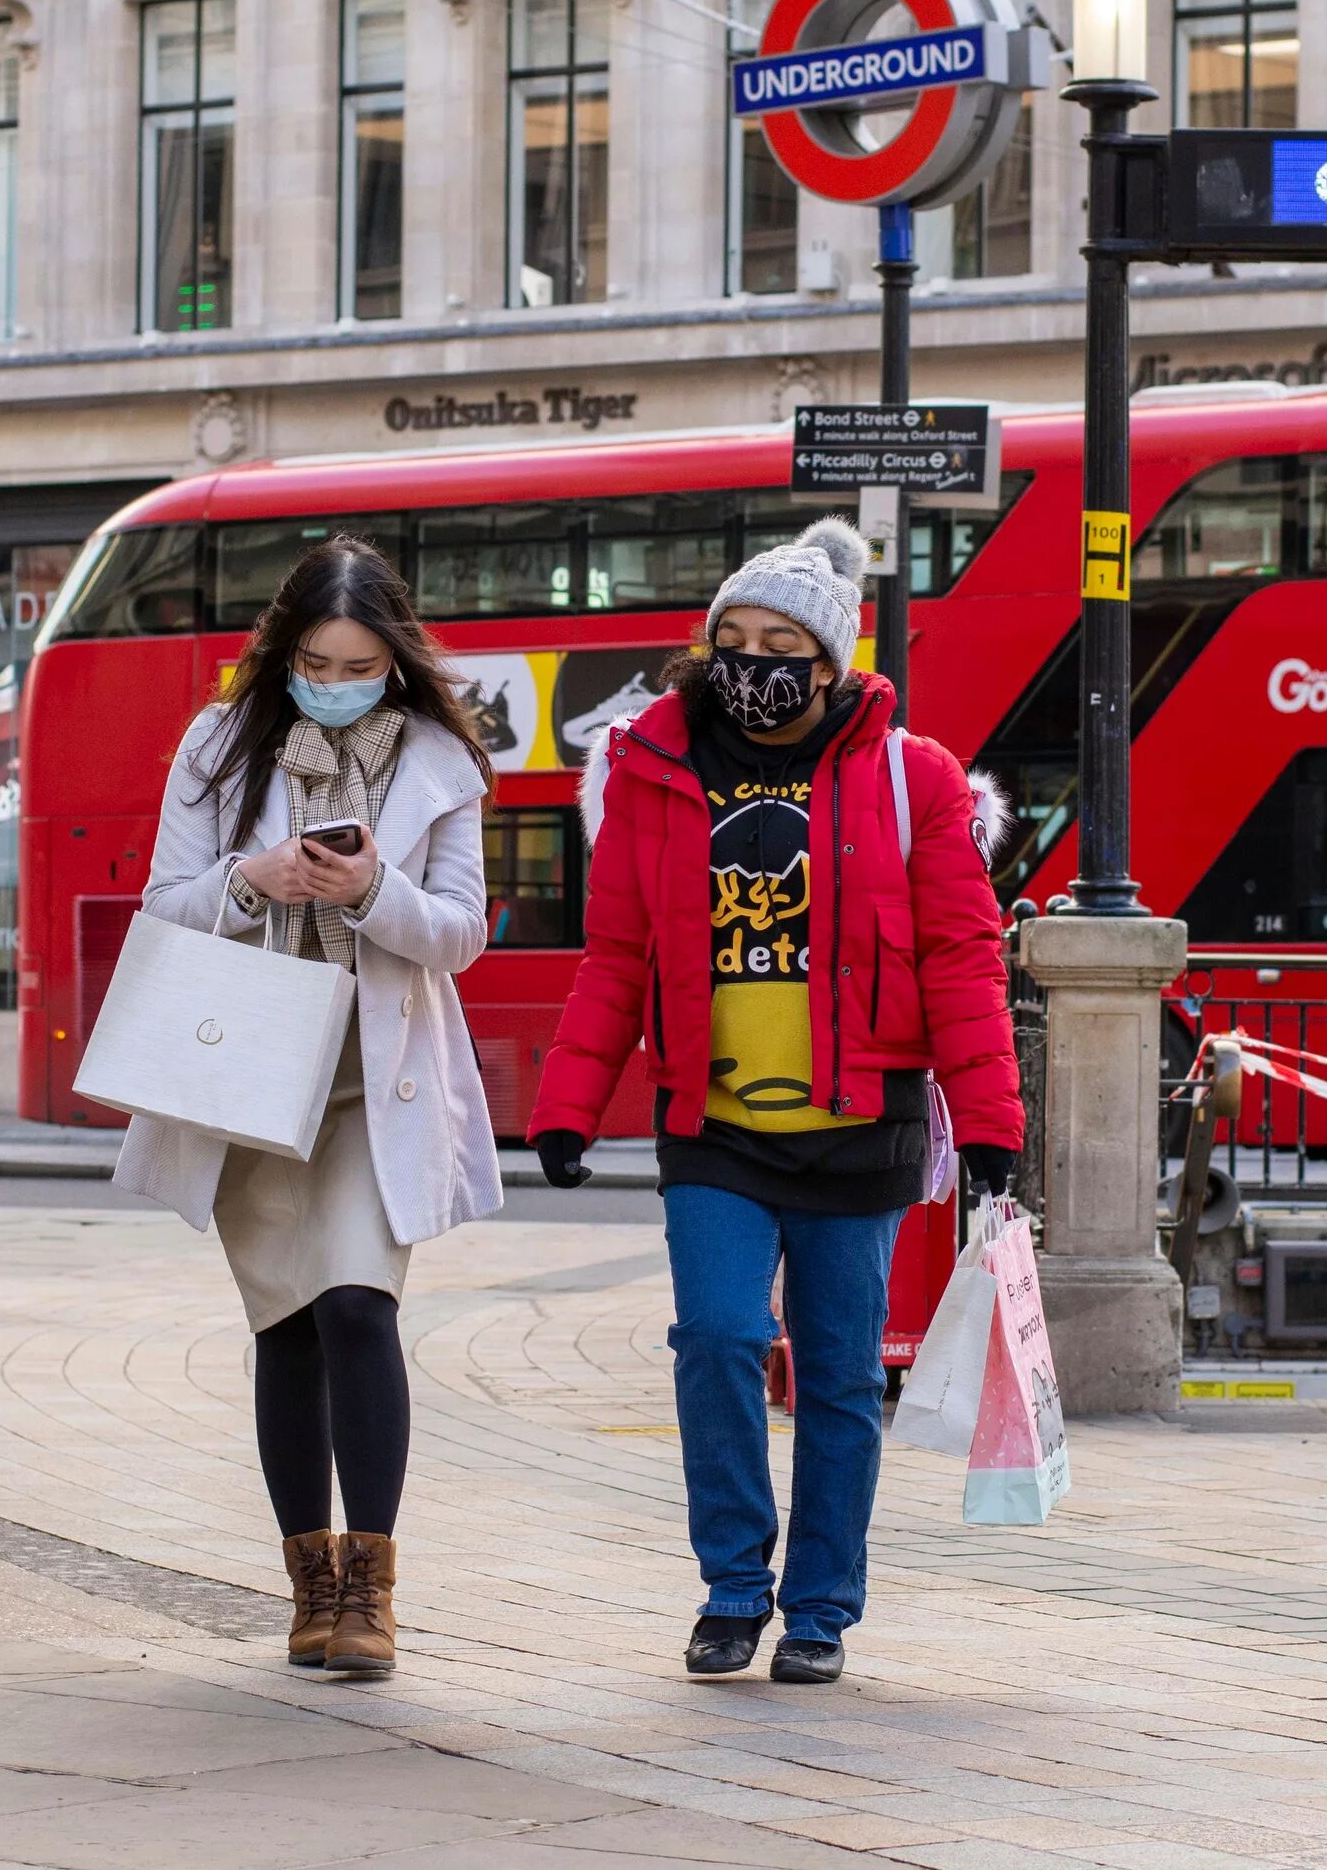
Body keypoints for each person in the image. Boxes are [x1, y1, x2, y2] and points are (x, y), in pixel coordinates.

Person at [528, 518, 1023, 1686]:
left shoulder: (915, 779)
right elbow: (613, 957)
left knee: (841, 1373)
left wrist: (992, 1123)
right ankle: (733, 1586)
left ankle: (819, 1608)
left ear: (833, 660)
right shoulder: (653, 770)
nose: (753, 661)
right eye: (733, 638)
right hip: (717, 1125)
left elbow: (961, 955)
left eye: (782, 642)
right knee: (719, 1337)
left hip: (865, 1122)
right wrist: (568, 1100)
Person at [116, 536, 501, 1679]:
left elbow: (463, 933)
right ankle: (310, 1581)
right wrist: (257, 878)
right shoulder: (218, 744)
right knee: (284, 1321)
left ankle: (373, 1590)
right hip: (250, 1071)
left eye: (360, 662)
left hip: (371, 1080)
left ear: (396, 660)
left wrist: (375, 889)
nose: (334, 679)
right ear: (285, 649)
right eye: (316, 658)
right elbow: (163, 906)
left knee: (357, 1306)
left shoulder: (440, 758)